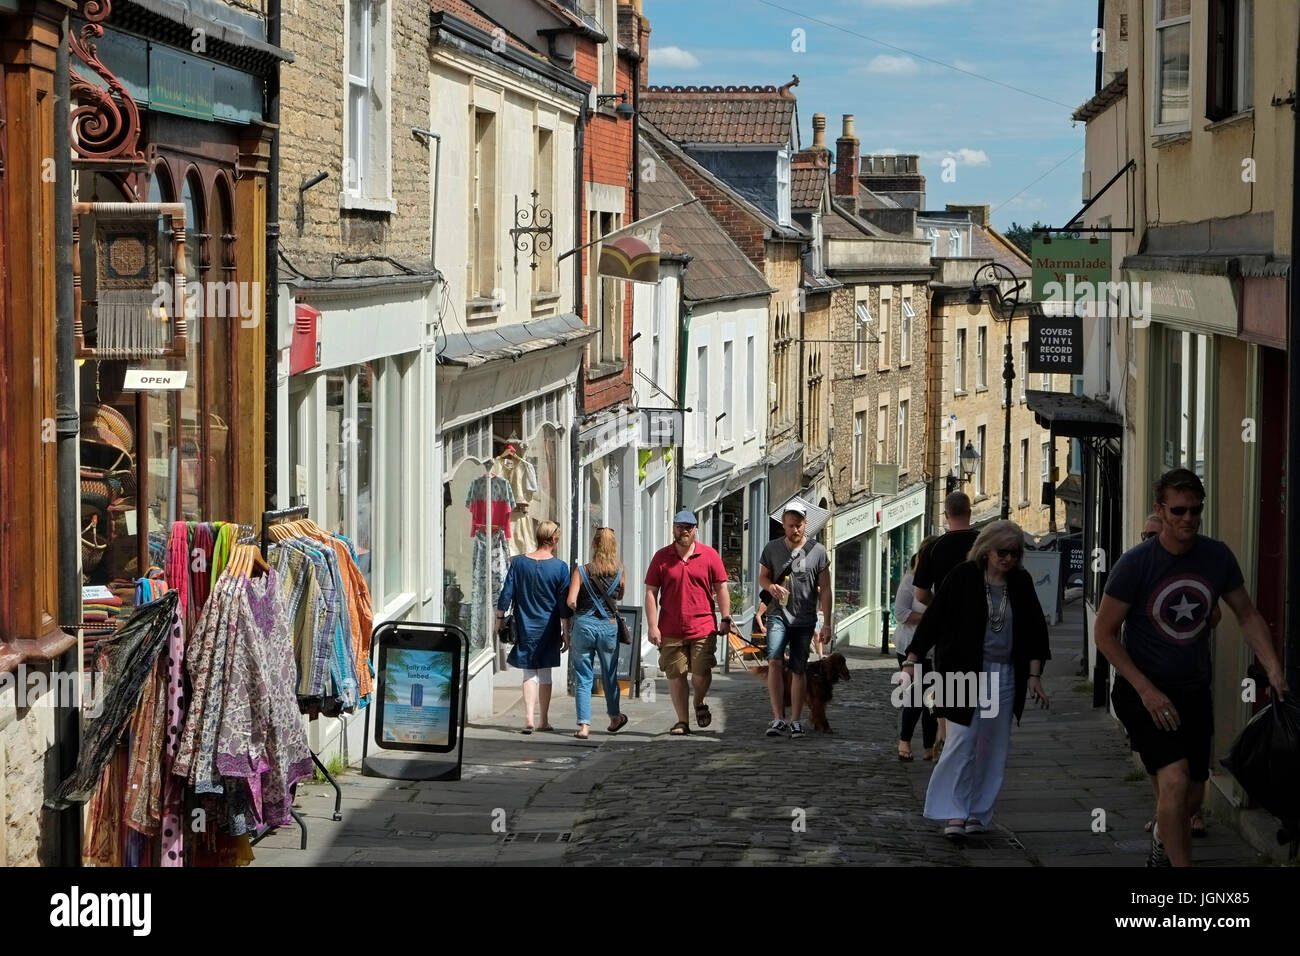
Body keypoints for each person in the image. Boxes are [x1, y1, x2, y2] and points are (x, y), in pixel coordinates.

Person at [1095, 468, 1288, 867]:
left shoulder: (1216, 557)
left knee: (1195, 793)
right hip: (1144, 689)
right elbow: (1105, 633)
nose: (1188, 519)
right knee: (1175, 781)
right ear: (1160, 510)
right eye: (1179, 510)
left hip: (1193, 689)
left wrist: (1272, 667)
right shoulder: (1135, 564)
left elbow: (1246, 614)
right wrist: (1145, 690)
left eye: (1195, 511)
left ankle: (1163, 844)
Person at [902, 520, 1051, 839]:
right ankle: (954, 813)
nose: (1008, 559)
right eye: (1003, 552)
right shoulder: (962, 577)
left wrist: (1035, 675)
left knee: (992, 746)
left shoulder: (1020, 582)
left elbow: (1036, 630)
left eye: (1014, 553)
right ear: (986, 549)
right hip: (961, 672)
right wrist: (912, 660)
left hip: (1005, 674)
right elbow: (934, 619)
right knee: (962, 741)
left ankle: (978, 813)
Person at [1137, 512, 1217, 839]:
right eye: (1145, 535)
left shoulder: (1194, 569)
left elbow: (1215, 616)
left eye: (1152, 534)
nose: (1149, 540)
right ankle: (1166, 819)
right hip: (1146, 683)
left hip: (1190, 679)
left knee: (1191, 765)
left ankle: (1185, 815)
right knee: (1161, 761)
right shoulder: (1135, 568)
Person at [645, 511, 730, 735]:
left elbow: (721, 588)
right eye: (679, 527)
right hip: (670, 628)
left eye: (688, 527)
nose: (683, 531)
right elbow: (651, 592)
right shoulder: (661, 557)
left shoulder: (709, 555)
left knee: (701, 672)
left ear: (695, 530)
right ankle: (682, 721)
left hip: (703, 626)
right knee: (676, 674)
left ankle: (699, 701)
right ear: (673, 528)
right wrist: (652, 625)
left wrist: (725, 617)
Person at [757, 502, 832, 739]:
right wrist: (771, 586)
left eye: (799, 525)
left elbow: (826, 589)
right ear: (784, 525)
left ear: (805, 524)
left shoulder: (818, 551)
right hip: (777, 615)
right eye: (791, 525)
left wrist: (827, 622)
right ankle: (778, 717)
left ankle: (796, 720)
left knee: (799, 668)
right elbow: (763, 578)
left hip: (805, 618)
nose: (795, 530)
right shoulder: (772, 549)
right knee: (775, 662)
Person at [496, 520, 568, 734]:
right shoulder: (560, 567)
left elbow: (506, 594)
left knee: (529, 673)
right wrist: (566, 631)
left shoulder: (518, 564)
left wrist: (499, 620)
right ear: (554, 540)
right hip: (549, 627)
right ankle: (543, 719)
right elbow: (563, 604)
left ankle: (528, 717)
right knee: (545, 675)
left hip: (526, 625)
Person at [565, 527, 629, 739]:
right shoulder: (620, 571)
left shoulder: (581, 571)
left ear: (594, 545)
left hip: (584, 625)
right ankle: (613, 717)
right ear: (614, 547)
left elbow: (571, 601)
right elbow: (619, 596)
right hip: (608, 626)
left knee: (584, 677)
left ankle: (584, 726)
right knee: (609, 675)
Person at [894, 536, 939, 760]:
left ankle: (929, 746)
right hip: (910, 646)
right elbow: (900, 613)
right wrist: (931, 618)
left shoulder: (944, 579)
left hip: (936, 649)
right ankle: (905, 741)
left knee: (933, 698)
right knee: (916, 697)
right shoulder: (911, 579)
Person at [912, 491, 980, 606]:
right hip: (981, 614)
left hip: (947, 619)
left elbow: (921, 595)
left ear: (946, 515)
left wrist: (941, 607)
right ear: (969, 513)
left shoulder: (932, 548)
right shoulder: (984, 543)